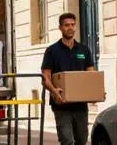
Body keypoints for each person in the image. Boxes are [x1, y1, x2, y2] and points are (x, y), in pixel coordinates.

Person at [41, 13, 95, 145]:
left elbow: (91, 76)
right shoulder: (52, 51)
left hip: (80, 105)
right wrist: (54, 91)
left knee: (82, 140)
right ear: (60, 28)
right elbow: (45, 77)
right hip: (61, 104)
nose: (70, 28)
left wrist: (96, 91)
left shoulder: (84, 50)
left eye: (72, 24)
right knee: (67, 140)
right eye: (66, 25)